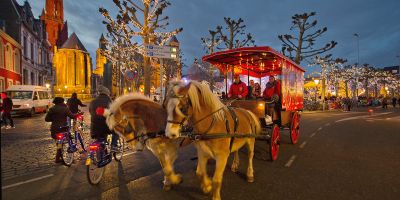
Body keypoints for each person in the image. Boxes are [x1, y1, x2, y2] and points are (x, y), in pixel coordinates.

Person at [45, 97, 77, 163]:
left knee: (59, 143)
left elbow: (47, 119)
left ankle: (58, 158)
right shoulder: (65, 108)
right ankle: (58, 158)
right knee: (66, 140)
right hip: (63, 128)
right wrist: (78, 114)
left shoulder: (52, 109)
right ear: (62, 102)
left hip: (54, 128)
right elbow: (72, 116)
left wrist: (55, 119)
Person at [89, 85, 120, 152]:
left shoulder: (93, 102)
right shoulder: (110, 102)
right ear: (107, 94)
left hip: (94, 127)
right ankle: (114, 146)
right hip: (106, 126)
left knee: (100, 136)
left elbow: (90, 112)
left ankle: (101, 151)